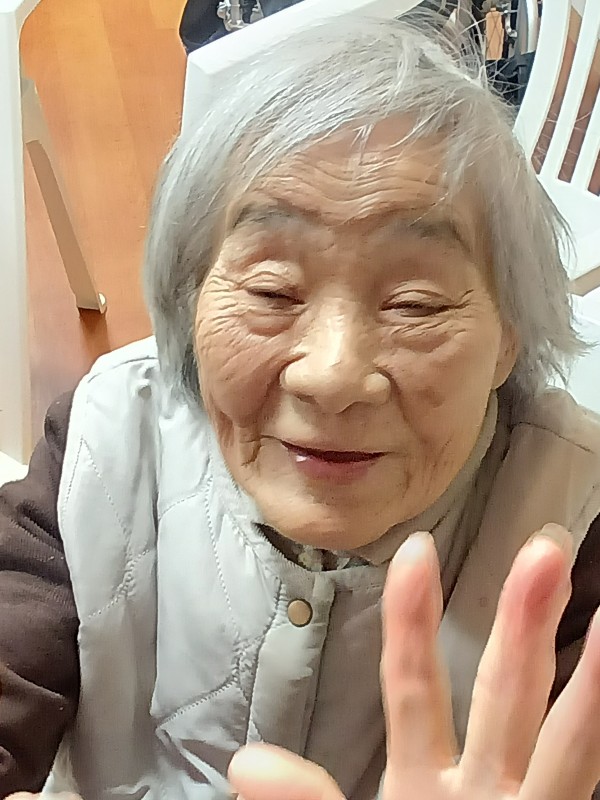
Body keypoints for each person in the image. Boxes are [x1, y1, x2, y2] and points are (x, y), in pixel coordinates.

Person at [1, 12, 600, 800]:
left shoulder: (574, 521)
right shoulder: (108, 442)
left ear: (509, 336)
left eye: (416, 304)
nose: (334, 374)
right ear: (190, 301)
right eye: (272, 291)